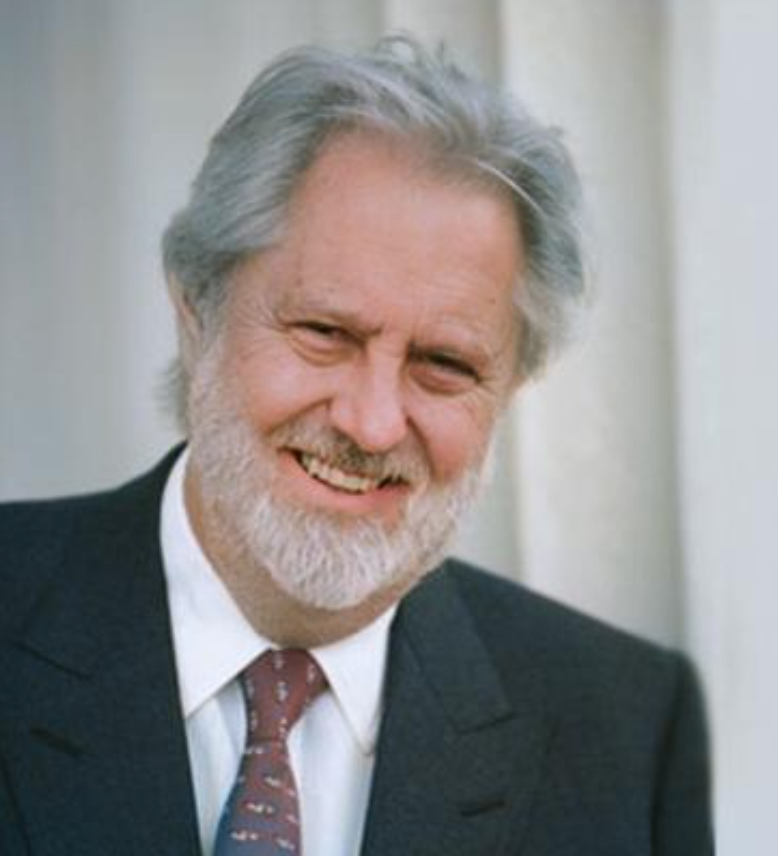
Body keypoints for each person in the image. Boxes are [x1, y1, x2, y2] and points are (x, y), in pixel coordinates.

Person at [0, 36, 712, 856]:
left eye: (445, 364)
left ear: (511, 387)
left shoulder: (626, 730)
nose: (372, 424)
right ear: (195, 309)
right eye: (325, 333)